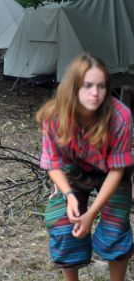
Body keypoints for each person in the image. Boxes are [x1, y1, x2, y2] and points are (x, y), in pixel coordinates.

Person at [36, 53, 133, 281]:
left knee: (115, 228)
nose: (95, 93)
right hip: (73, 173)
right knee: (62, 222)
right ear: (73, 87)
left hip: (111, 173)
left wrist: (92, 213)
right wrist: (68, 195)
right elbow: (53, 163)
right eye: (87, 85)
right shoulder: (54, 116)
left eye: (101, 86)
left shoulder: (120, 116)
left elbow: (117, 170)